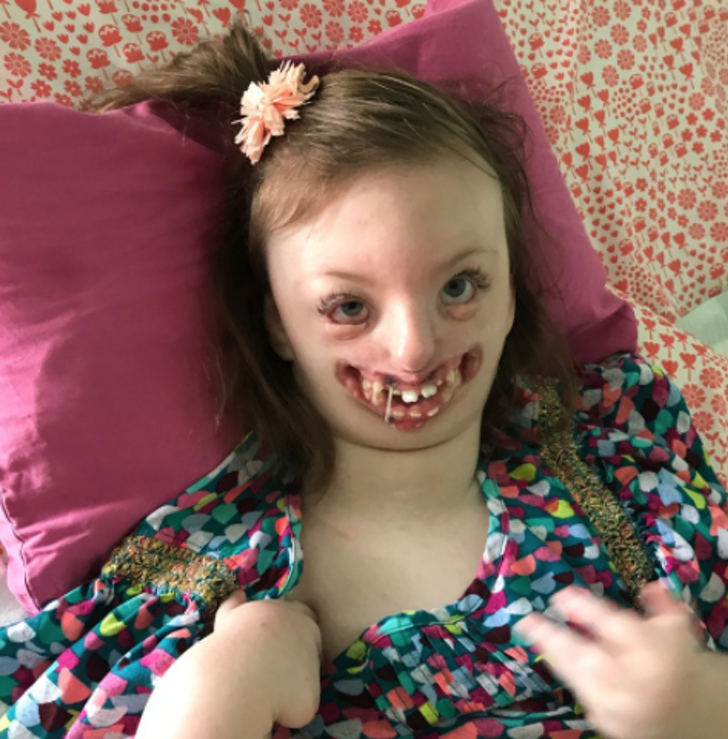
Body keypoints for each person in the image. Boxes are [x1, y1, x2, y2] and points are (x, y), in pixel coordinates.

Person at [1, 19, 727, 739]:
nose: (414, 348)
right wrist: (216, 694)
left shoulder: (625, 479)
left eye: (460, 286)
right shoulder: (201, 581)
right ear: (278, 325)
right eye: (348, 307)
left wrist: (703, 709)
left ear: (513, 290)